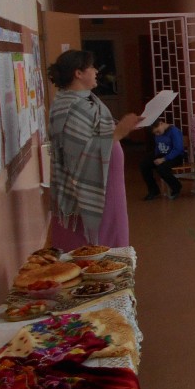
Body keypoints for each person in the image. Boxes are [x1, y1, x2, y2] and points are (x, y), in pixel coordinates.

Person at [47, 50, 140, 249]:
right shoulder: (69, 106)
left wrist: (123, 126)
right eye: (91, 67)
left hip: (108, 182)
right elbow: (77, 154)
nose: (96, 71)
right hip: (92, 185)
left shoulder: (86, 100)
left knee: (113, 232)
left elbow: (97, 131)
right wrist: (119, 133)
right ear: (78, 73)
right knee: (90, 245)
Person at [140, 117, 185, 200]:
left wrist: (163, 159)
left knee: (161, 168)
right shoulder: (157, 133)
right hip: (162, 154)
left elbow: (178, 149)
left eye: (158, 131)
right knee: (144, 164)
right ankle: (153, 190)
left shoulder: (174, 131)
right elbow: (158, 147)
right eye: (155, 133)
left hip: (175, 156)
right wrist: (155, 157)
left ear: (161, 123)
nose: (157, 134)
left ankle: (176, 186)